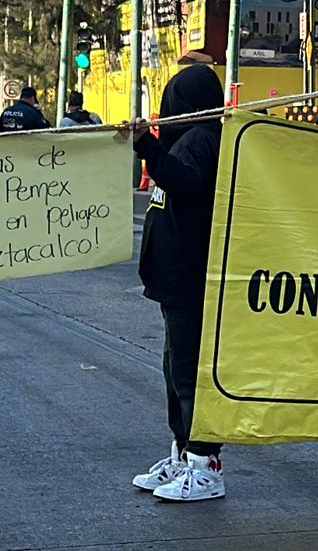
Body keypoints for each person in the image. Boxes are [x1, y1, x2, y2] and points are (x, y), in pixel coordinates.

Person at [124, 65, 229, 503]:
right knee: (174, 371)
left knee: (189, 376)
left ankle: (205, 466)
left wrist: (147, 144)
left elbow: (183, 181)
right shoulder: (191, 139)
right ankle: (184, 455)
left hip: (191, 280)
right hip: (177, 282)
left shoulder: (202, 139)